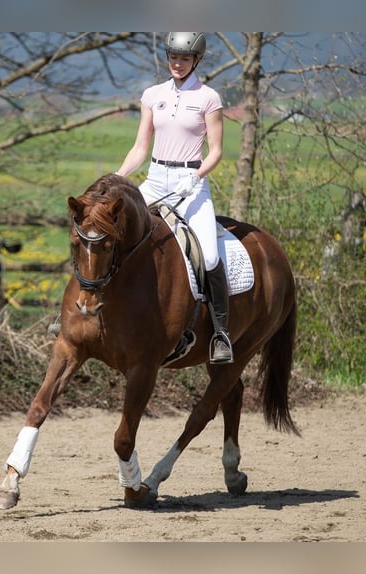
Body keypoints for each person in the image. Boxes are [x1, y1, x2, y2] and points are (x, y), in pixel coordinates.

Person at [115, 32, 232, 364]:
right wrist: (117, 178)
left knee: (208, 256)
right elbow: (140, 147)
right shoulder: (153, 95)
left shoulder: (209, 98)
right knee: (109, 233)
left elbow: (217, 152)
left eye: (183, 59)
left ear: (196, 60)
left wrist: (194, 178)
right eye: (172, 57)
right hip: (154, 179)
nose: (176, 64)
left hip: (191, 183)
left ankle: (221, 334)